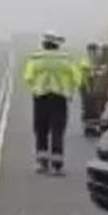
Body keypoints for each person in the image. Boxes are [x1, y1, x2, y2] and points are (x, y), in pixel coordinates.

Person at [22, 31, 82, 175]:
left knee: (41, 130)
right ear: (58, 45)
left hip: (41, 98)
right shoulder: (66, 59)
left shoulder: (36, 58)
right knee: (57, 130)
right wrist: (71, 90)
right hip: (59, 99)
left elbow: (28, 77)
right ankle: (57, 165)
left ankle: (42, 163)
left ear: (44, 44)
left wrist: (37, 86)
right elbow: (77, 78)